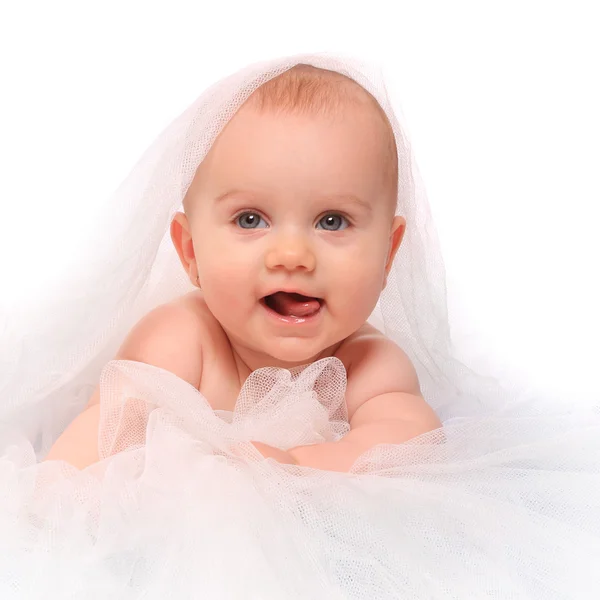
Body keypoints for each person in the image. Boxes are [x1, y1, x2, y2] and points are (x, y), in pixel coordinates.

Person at [44, 64, 442, 472]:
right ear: (192, 251)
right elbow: (99, 437)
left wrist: (297, 466)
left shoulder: (368, 365)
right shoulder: (181, 341)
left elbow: (413, 438)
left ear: (388, 254)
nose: (292, 255)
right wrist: (59, 500)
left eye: (332, 221)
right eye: (250, 219)